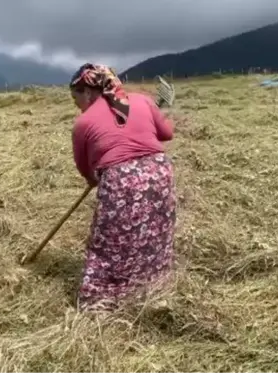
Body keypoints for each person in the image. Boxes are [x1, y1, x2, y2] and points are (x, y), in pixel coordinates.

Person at [69, 63, 177, 312]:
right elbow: (167, 134)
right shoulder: (143, 101)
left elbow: (87, 171)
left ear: (88, 92)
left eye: (76, 98)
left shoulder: (83, 123)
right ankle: (150, 285)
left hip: (120, 180)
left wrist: (97, 179)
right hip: (159, 171)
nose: (76, 105)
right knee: (155, 229)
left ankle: (103, 299)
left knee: (109, 241)